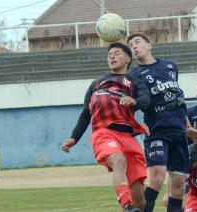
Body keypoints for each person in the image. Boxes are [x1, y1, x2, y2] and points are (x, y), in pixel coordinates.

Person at [61, 42, 151, 212]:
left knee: (139, 197)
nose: (111, 56)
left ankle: (133, 205)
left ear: (127, 59)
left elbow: (146, 101)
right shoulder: (96, 83)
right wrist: (74, 138)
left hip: (128, 136)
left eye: (116, 53)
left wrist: (135, 101)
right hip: (104, 132)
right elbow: (85, 114)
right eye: (109, 54)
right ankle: (126, 205)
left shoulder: (134, 81)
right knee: (118, 160)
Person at [127, 33, 197, 212]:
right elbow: (128, 105)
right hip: (157, 131)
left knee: (177, 186)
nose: (134, 46)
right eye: (130, 45)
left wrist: (188, 127)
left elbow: (177, 101)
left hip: (179, 132)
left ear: (149, 44)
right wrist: (136, 124)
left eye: (137, 42)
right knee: (157, 178)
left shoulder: (170, 66)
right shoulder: (133, 75)